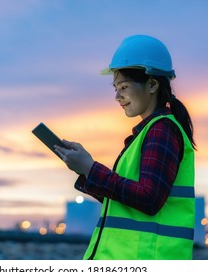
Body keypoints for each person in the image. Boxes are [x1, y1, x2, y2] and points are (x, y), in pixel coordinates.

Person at [55, 34, 196, 260]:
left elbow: (149, 199)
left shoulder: (162, 131)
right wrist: (85, 170)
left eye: (124, 86)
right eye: (115, 87)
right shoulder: (152, 131)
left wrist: (91, 169)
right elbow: (128, 200)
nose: (117, 96)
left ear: (152, 84)